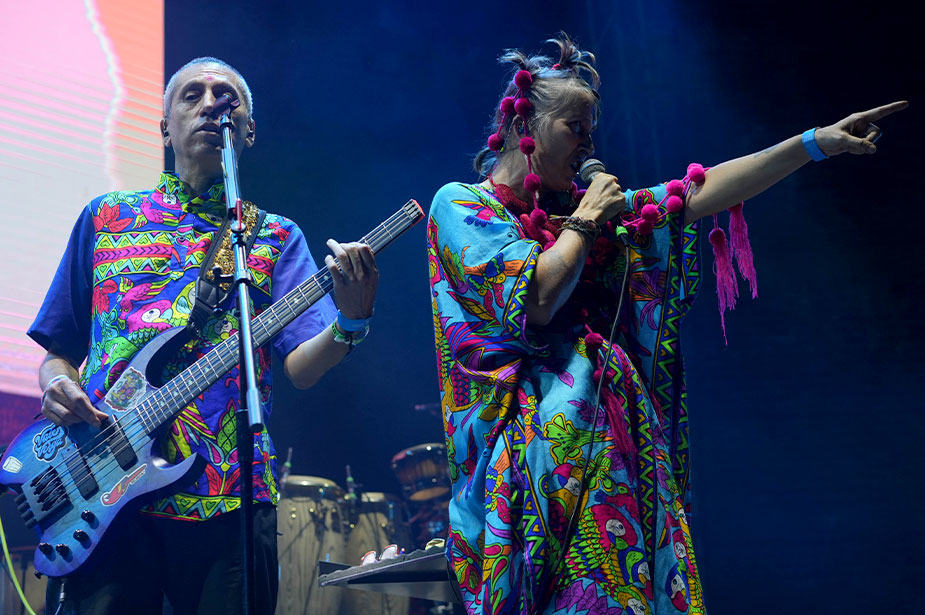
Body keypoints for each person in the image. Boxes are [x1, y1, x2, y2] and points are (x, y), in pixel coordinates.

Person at [426, 35, 906, 615]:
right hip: (529, 470)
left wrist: (813, 144)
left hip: (615, 445)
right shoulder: (462, 207)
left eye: (591, 133)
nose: (586, 148)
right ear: (523, 120)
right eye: (575, 129)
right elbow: (538, 299)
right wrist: (584, 221)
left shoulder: (592, 214)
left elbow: (696, 193)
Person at [29, 57, 378, 614]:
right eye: (193, 94)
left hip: (229, 497)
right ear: (164, 126)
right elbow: (59, 351)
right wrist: (54, 385)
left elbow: (300, 367)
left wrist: (351, 322)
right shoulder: (105, 217)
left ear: (250, 131)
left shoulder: (275, 236)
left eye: (227, 96)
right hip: (105, 492)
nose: (212, 103)